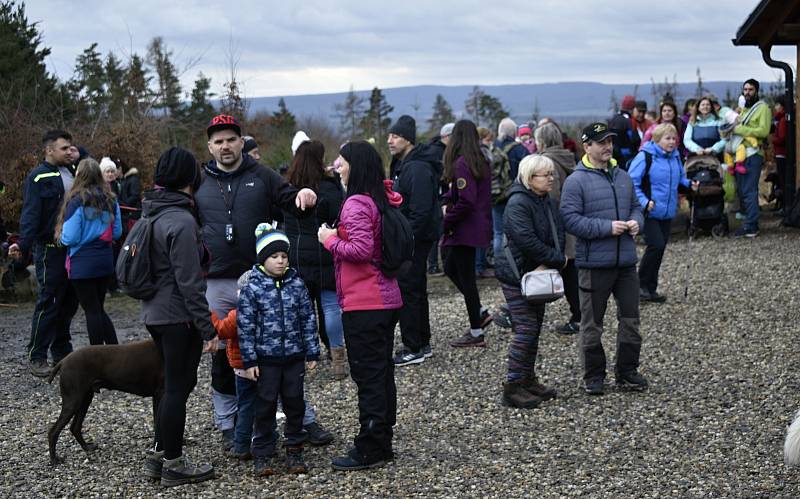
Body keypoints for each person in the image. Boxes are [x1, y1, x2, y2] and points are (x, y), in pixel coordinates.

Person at [194, 114, 331, 451]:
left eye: (231, 139)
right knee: (224, 352)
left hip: (263, 280)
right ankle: (230, 423)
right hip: (217, 281)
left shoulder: (262, 175)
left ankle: (303, 419)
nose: (225, 146)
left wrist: (304, 198)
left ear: (242, 142)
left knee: (279, 349)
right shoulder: (198, 181)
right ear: (210, 146)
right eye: (218, 141)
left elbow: (291, 199)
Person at [317, 141, 402, 471]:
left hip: (366, 303)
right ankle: (382, 438)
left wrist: (329, 240)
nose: (337, 165)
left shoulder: (355, 203)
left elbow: (361, 250)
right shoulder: (381, 199)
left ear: (356, 165)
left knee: (368, 376)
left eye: (342, 159)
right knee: (381, 373)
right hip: (386, 299)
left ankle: (370, 446)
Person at [140, 147, 217, 487]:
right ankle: (174, 464)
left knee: (176, 384)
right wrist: (208, 328)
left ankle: (159, 455)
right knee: (176, 387)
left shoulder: (153, 213)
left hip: (155, 313)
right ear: (189, 178)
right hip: (178, 316)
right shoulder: (182, 220)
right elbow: (190, 282)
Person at [560, 122, 647, 396]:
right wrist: (607, 228)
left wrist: (636, 221)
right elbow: (570, 220)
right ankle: (594, 376)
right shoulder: (575, 180)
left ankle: (627, 371)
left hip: (625, 264)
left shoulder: (622, 176)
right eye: (601, 142)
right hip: (593, 265)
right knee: (592, 324)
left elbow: (636, 206)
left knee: (631, 319)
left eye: (609, 141)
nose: (607, 146)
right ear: (587, 147)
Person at [238, 225, 320, 477]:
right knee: (264, 405)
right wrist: (249, 359)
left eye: (284, 256)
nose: (280, 261)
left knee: (294, 402)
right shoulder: (253, 288)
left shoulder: (297, 284)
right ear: (263, 258)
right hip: (266, 360)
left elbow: (308, 318)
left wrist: (312, 351)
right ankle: (263, 451)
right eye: (274, 257)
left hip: (294, 357)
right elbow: (245, 326)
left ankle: (294, 447)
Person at [495, 155, 564, 408]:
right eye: (544, 174)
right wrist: (557, 259)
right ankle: (513, 386)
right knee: (525, 329)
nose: (550, 178)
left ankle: (527, 379)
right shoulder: (518, 203)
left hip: (537, 273)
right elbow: (526, 240)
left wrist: (551, 260)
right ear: (529, 178)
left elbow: (557, 230)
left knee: (533, 328)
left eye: (551, 174)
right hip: (517, 274)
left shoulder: (544, 200)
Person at [10, 130, 79, 378]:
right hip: (49, 251)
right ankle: (37, 355)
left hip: (73, 250)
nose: (69, 152)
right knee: (49, 302)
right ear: (49, 150)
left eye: (71, 148)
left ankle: (61, 350)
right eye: (64, 148)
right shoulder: (38, 177)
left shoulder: (72, 172)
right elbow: (31, 214)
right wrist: (23, 246)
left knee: (70, 302)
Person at [283, 137, 347, 378]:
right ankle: (337, 356)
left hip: (296, 256)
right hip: (325, 254)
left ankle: (302, 358)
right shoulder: (330, 188)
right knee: (330, 307)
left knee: (301, 310)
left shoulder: (288, 189)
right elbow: (339, 220)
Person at [388, 115, 442, 366]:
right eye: (390, 135)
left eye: (395, 136)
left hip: (414, 240)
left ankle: (413, 346)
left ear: (408, 139)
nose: (390, 140)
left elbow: (420, 211)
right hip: (413, 238)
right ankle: (422, 341)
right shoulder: (405, 164)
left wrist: (405, 238)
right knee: (415, 289)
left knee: (409, 290)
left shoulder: (417, 168)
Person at [55, 158, 122, 345]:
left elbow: (70, 237)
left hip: (82, 263)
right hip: (105, 261)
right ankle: (114, 351)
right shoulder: (111, 200)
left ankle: (97, 356)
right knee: (98, 309)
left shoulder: (77, 201)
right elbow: (116, 232)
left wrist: (60, 236)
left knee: (91, 311)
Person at [629, 124, 697, 303]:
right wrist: (644, 202)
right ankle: (639, 287)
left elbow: (679, 178)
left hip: (666, 212)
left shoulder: (675, 158)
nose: (672, 142)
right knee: (656, 246)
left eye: (674, 138)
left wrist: (690, 184)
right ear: (656, 140)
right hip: (648, 212)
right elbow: (631, 182)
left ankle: (650, 289)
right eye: (667, 138)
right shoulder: (645, 157)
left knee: (659, 249)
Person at [442, 120, 493, 348]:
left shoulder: (463, 164)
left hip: (464, 229)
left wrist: (446, 217)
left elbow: (466, 200)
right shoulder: (479, 161)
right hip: (474, 227)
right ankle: (480, 312)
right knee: (451, 268)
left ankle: (476, 332)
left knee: (466, 280)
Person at [535, 122, 581, 334]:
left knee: (566, 272)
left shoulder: (548, 163)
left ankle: (579, 316)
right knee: (571, 271)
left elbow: (552, 197)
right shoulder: (568, 158)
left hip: (559, 226)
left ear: (542, 140)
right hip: (572, 222)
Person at [731, 79, 772, 238]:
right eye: (745, 90)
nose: (747, 92)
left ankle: (751, 226)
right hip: (740, 155)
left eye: (750, 89)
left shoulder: (763, 108)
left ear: (757, 91)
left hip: (753, 154)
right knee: (742, 191)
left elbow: (763, 131)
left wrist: (739, 129)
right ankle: (748, 222)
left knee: (749, 191)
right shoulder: (744, 110)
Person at [427, 122, 452, 275]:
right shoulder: (437, 152)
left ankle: (436, 264)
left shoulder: (439, 149)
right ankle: (433, 265)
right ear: (448, 136)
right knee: (436, 231)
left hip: (439, 195)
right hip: (436, 196)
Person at [608, 95, 639, 167]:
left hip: (613, 156)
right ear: (633, 108)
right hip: (627, 158)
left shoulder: (612, 120)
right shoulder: (629, 122)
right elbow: (635, 140)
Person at [770, 95, 788, 210]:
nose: (775, 107)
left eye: (777, 105)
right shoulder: (780, 119)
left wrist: (772, 139)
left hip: (781, 153)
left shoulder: (781, 121)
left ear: (782, 106)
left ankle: (784, 204)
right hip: (781, 153)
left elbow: (782, 138)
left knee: (782, 179)